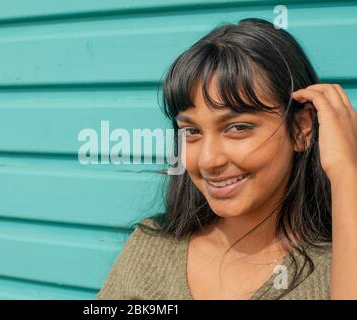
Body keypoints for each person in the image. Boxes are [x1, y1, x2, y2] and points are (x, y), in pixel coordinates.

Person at [97, 18, 357, 300]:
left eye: (237, 128)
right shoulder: (153, 249)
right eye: (192, 131)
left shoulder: (338, 263)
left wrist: (344, 171)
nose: (208, 161)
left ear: (300, 129)